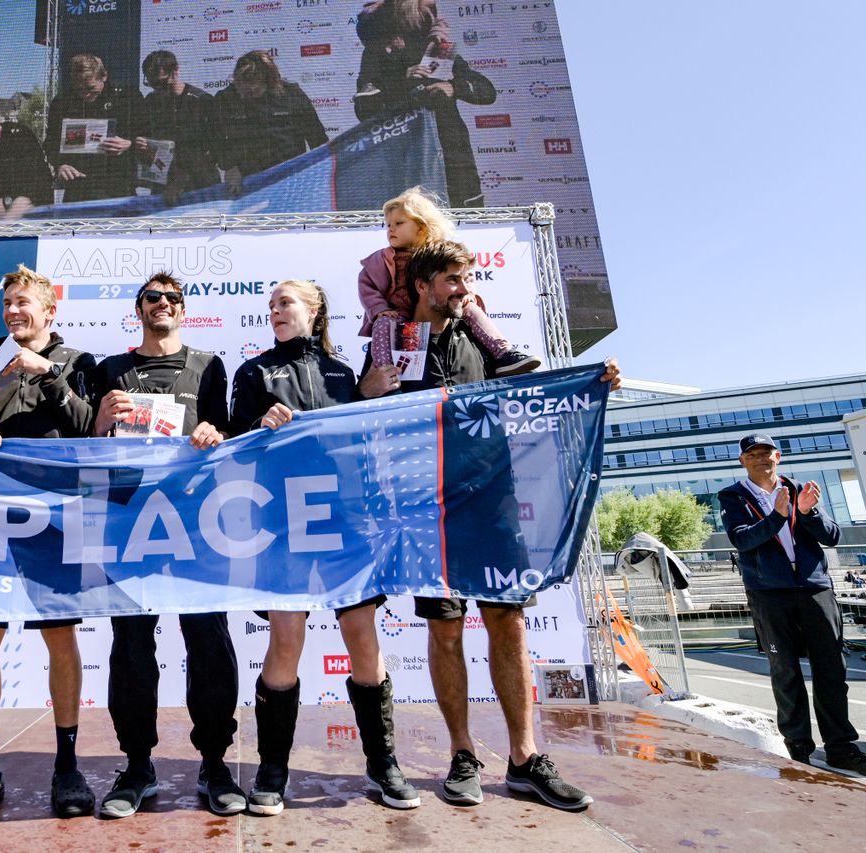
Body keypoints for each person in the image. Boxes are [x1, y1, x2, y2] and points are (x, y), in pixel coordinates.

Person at [358, 238, 620, 811]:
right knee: (445, 630)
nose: (464, 288)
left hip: (494, 502)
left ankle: (525, 757)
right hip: (427, 509)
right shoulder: (391, 342)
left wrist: (592, 385)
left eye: (468, 278)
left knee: (508, 623)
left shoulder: (489, 344)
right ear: (423, 286)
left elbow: (538, 396)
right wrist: (371, 385)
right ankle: (463, 754)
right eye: (452, 280)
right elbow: (363, 415)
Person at [229, 280, 419, 815]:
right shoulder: (254, 371)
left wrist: (373, 396)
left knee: (363, 640)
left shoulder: (344, 373)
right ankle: (271, 771)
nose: (275, 311)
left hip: (346, 524)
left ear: (315, 311)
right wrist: (257, 426)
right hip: (284, 522)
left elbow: (370, 439)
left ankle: (384, 765)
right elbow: (231, 446)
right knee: (285, 640)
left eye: (285, 302)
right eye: (270, 305)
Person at [0, 264, 99, 824]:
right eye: (7, 302)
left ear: (49, 309)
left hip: (54, 518)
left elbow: (91, 433)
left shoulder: (80, 363)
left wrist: (47, 374)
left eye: (24, 303)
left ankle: (67, 768)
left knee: (60, 638)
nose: (14, 311)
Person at [90, 272, 243, 818]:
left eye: (173, 299)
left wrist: (214, 434)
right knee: (131, 648)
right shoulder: (108, 369)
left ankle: (216, 763)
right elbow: (90, 451)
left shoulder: (209, 365)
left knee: (208, 642)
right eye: (153, 298)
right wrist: (101, 422)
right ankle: (136, 765)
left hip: (195, 522)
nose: (163, 305)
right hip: (130, 523)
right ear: (139, 309)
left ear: (185, 311)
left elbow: (227, 433)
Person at [718, 434, 866, 771]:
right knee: (785, 670)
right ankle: (797, 747)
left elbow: (832, 536)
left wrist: (807, 512)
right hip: (769, 594)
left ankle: (841, 747)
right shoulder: (732, 495)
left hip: (815, 589)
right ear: (743, 460)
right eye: (752, 454)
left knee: (831, 669)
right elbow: (742, 540)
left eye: (766, 453)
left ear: (778, 457)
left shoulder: (800, 489)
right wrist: (778, 516)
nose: (760, 459)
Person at [358, 186, 541, 376]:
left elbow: (466, 273)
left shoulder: (443, 252)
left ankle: (503, 353)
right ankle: (386, 372)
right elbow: (367, 284)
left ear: (421, 227)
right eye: (388, 225)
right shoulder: (381, 258)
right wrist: (380, 310)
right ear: (421, 285)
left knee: (471, 309)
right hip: (402, 318)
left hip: (436, 318)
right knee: (392, 339)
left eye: (399, 223)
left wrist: (468, 295)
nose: (391, 229)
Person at [354, 1, 496, 207]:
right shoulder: (375, 55)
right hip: (408, 160)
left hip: (454, 159)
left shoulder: (440, 51)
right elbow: (364, 110)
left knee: (466, 223)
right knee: (415, 226)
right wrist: (401, 83)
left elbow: (487, 91)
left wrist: (454, 87)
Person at [213, 51, 327, 196]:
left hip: (289, 175)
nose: (244, 96)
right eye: (240, 90)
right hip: (247, 179)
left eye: (253, 92)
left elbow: (317, 137)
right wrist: (230, 166)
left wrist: (320, 172)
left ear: (269, 82)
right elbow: (214, 139)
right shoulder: (224, 99)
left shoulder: (292, 94)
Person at [46, 54, 140, 202]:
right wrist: (60, 165)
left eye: (90, 87)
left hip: (118, 184)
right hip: (78, 185)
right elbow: (51, 143)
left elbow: (148, 134)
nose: (85, 94)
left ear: (104, 76)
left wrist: (129, 144)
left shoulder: (127, 97)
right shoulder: (62, 102)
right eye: (78, 89)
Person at [135, 50, 219, 205]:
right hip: (164, 182)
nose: (158, 89)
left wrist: (181, 180)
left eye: (162, 83)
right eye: (152, 84)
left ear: (176, 71)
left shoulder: (202, 101)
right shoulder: (150, 102)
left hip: (200, 183)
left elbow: (214, 149)